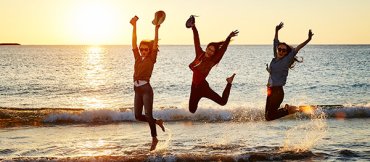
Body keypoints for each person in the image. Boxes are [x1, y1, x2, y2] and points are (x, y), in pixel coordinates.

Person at [186, 15, 239, 113]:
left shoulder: (213, 61)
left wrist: (228, 38)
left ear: (214, 53)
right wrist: (193, 26)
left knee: (223, 102)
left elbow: (223, 50)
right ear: (206, 48)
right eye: (209, 49)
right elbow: (196, 38)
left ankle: (229, 82)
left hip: (203, 87)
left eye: (212, 51)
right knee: (192, 110)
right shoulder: (199, 53)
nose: (210, 52)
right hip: (194, 87)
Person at [265, 22, 314, 121]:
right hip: (270, 91)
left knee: (270, 116)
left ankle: (290, 109)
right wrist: (276, 30)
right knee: (267, 116)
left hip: (277, 92)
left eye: (284, 50)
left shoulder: (285, 61)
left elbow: (297, 49)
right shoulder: (275, 58)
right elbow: (275, 42)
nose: (281, 51)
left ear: (287, 53)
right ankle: (288, 109)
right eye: (280, 49)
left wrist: (308, 39)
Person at [130, 15, 165, 151]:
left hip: (146, 89)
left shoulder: (152, 59)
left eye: (146, 49)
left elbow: (155, 43)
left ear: (149, 50)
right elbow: (133, 43)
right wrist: (134, 26)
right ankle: (157, 122)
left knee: (148, 114)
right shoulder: (138, 58)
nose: (143, 51)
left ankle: (154, 138)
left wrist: (156, 29)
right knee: (138, 116)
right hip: (137, 89)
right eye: (141, 49)